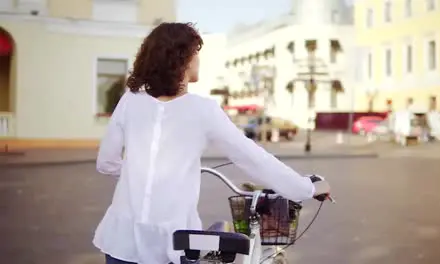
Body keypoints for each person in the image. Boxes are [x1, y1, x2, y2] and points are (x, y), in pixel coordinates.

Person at [93, 22, 331, 264]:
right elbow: (253, 158)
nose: (198, 61)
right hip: (171, 245)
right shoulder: (203, 110)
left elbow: (106, 163)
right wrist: (306, 188)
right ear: (182, 60)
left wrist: (142, 176)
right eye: (196, 54)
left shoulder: (130, 101)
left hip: (121, 239)